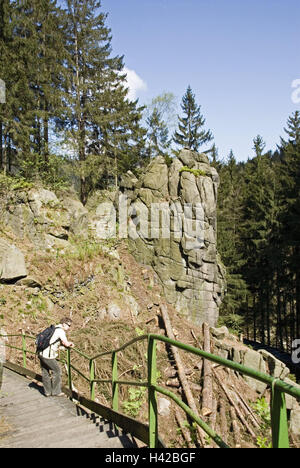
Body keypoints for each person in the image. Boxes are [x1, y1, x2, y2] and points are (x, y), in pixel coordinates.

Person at [38, 317, 74, 397]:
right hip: (48, 355)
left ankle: (47, 392)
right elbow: (66, 343)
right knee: (57, 371)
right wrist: (71, 344)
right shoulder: (60, 331)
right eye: (69, 325)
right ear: (64, 324)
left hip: (41, 352)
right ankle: (56, 391)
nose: (69, 327)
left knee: (45, 372)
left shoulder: (54, 328)